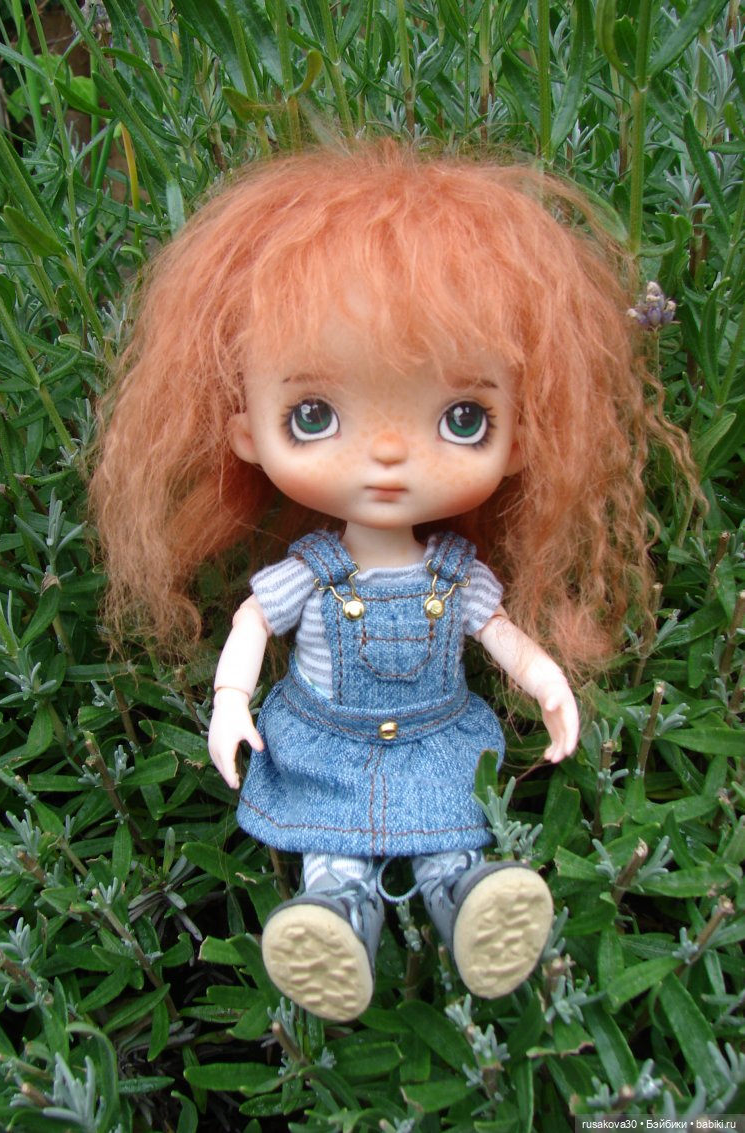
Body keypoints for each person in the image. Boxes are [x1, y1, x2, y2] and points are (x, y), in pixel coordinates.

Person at [90, 140, 693, 1022]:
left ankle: (470, 905)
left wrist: (547, 680)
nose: (385, 453)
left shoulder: (455, 570)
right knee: (333, 857)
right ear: (244, 429)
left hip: (434, 736)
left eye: (461, 417)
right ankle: (336, 919)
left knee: (452, 842)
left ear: (522, 438)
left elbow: (498, 632)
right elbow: (255, 620)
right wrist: (230, 699)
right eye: (314, 414)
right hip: (325, 740)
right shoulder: (314, 570)